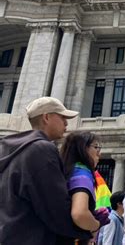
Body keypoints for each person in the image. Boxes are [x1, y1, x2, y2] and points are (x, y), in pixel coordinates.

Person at [0, 96, 92, 245]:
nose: (66, 123)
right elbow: (55, 207)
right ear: (46, 117)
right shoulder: (41, 149)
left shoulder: (10, 151)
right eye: (62, 117)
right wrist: (89, 228)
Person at [60, 131, 110, 244]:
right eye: (96, 147)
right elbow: (79, 213)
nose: (99, 154)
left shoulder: (66, 170)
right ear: (83, 148)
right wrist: (96, 224)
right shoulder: (82, 172)